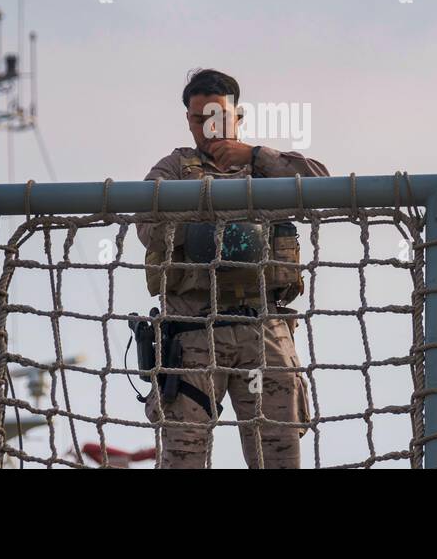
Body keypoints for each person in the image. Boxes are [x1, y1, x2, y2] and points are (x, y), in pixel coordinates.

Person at [134, 68, 328, 468]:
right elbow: (147, 225)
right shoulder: (173, 169)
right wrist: (210, 221)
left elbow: (323, 188)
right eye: (198, 118)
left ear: (238, 117)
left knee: (279, 456)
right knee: (183, 455)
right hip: (193, 331)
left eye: (217, 116)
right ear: (188, 120)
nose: (208, 127)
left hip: (264, 326)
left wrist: (256, 156)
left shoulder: (265, 169)